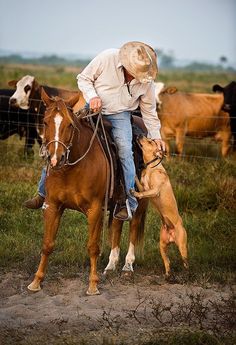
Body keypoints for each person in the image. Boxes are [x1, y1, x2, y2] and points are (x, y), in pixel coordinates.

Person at [24, 41, 165, 220]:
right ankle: (42, 191)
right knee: (62, 138)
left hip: (120, 114)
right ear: (127, 64)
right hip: (91, 106)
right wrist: (93, 96)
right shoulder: (107, 58)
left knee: (124, 150)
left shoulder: (147, 82)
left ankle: (127, 203)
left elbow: (149, 112)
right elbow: (83, 78)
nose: (136, 78)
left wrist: (156, 136)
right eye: (134, 73)